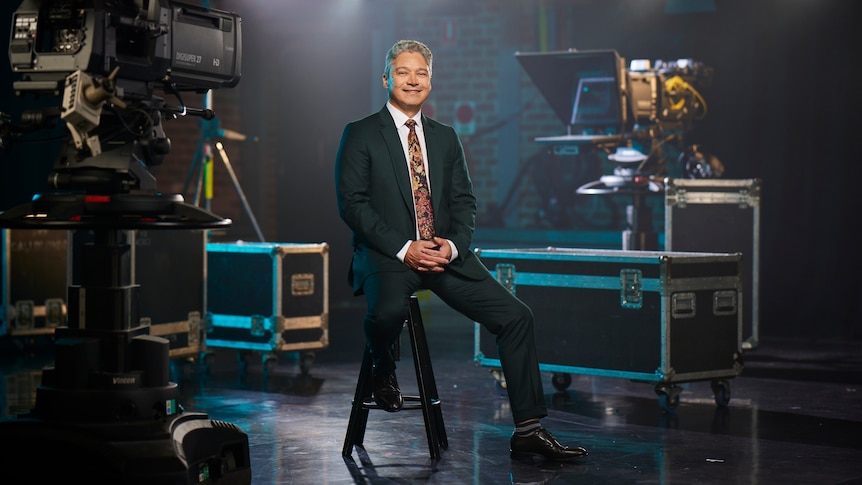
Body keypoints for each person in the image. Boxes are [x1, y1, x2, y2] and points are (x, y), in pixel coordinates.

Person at [334, 39, 588, 462]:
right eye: (402, 71)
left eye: (421, 73)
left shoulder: (446, 138)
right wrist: (405, 249)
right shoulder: (360, 133)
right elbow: (352, 204)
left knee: (516, 317)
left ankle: (528, 429)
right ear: (386, 78)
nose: (412, 80)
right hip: (388, 255)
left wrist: (450, 247)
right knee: (386, 313)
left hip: (442, 255)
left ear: (430, 82)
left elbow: (465, 203)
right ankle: (383, 367)